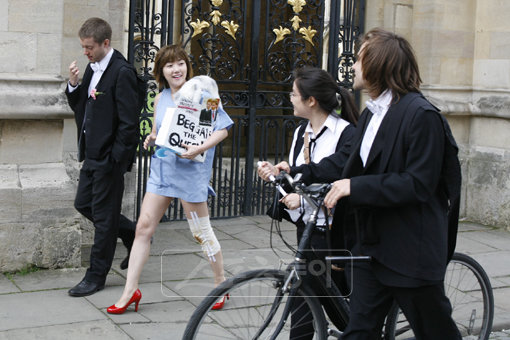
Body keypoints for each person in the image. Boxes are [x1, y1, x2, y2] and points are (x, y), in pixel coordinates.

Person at [267, 28, 462, 339]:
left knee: (435, 331)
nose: (354, 65)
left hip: (410, 252)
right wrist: (305, 171)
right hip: (371, 247)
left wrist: (354, 187)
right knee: (358, 331)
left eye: (360, 58)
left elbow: (418, 184)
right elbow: (349, 166)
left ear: (380, 64)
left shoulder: (421, 115)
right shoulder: (373, 115)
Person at [106, 44, 234, 314]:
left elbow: (222, 129)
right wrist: (152, 138)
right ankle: (130, 291)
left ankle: (221, 283)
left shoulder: (204, 94)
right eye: (169, 65)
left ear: (187, 66)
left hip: (191, 174)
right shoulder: (162, 96)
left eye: (180, 63)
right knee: (143, 228)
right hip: (162, 171)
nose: (176, 69)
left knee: (201, 232)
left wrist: (200, 148)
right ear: (161, 71)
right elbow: (158, 130)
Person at [258, 66, 358, 339]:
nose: (289, 98)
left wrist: (298, 193)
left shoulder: (346, 134)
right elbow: (297, 181)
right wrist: (277, 174)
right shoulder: (301, 132)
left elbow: (333, 174)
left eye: (293, 94)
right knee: (304, 303)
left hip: (336, 235)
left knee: (346, 311)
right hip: (308, 231)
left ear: (310, 100)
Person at [65, 17, 139, 297]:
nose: (85, 51)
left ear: (105, 43)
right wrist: (74, 85)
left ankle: (96, 277)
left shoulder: (122, 72)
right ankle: (131, 232)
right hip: (91, 155)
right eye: (83, 47)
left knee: (105, 221)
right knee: (83, 204)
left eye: (89, 47)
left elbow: (129, 124)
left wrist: (115, 161)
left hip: (109, 160)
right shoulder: (92, 67)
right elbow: (82, 106)